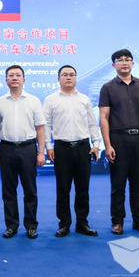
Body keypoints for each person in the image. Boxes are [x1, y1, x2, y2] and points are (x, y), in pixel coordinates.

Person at [99, 49, 139, 235]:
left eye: (127, 59)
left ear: (132, 63)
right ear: (113, 65)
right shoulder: (107, 87)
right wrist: (108, 145)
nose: (124, 63)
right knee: (118, 184)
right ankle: (117, 222)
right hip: (118, 139)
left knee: (138, 183)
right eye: (120, 60)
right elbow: (104, 117)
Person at [43, 65, 101, 237]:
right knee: (63, 189)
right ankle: (64, 224)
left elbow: (92, 123)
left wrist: (96, 144)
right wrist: (48, 146)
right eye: (64, 75)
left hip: (83, 148)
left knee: (83, 188)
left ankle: (82, 223)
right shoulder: (51, 99)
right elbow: (46, 125)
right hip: (61, 148)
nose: (68, 77)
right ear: (58, 79)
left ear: (76, 78)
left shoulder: (84, 99)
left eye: (71, 75)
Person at [0, 65, 46, 239]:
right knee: (8, 190)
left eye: (18, 75)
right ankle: (11, 226)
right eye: (11, 75)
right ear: (6, 80)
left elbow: (40, 129)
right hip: (6, 149)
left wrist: (41, 152)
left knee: (30, 189)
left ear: (24, 80)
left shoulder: (34, 101)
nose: (14, 78)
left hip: (28, 148)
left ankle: (31, 226)